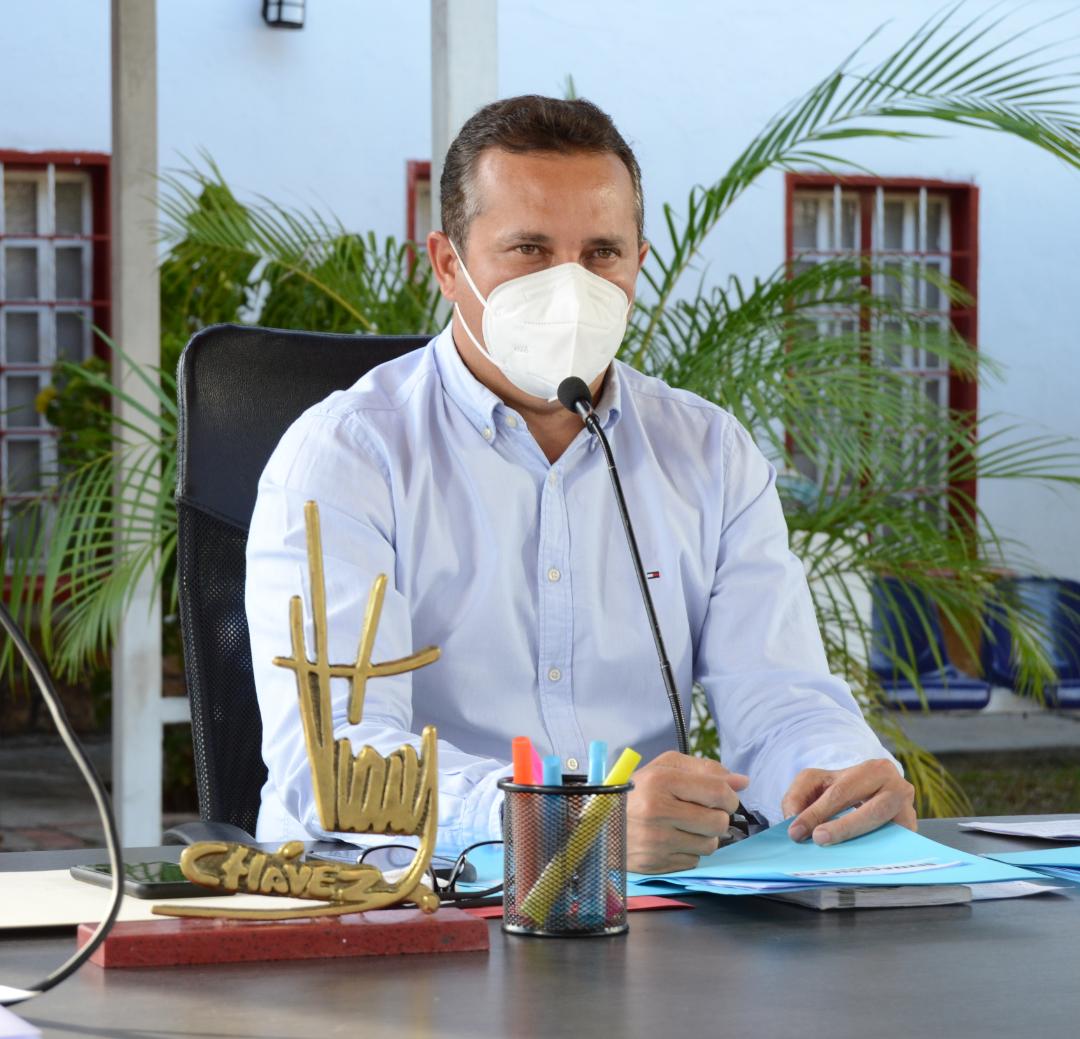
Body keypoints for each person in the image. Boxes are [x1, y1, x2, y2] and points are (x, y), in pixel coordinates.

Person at [246, 95, 915, 874]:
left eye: (601, 253)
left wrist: (836, 780)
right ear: (448, 265)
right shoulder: (349, 454)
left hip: (649, 904)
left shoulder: (710, 452)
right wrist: (571, 823)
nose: (570, 287)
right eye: (529, 249)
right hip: (402, 902)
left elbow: (780, 700)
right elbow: (337, 762)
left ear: (639, 263)